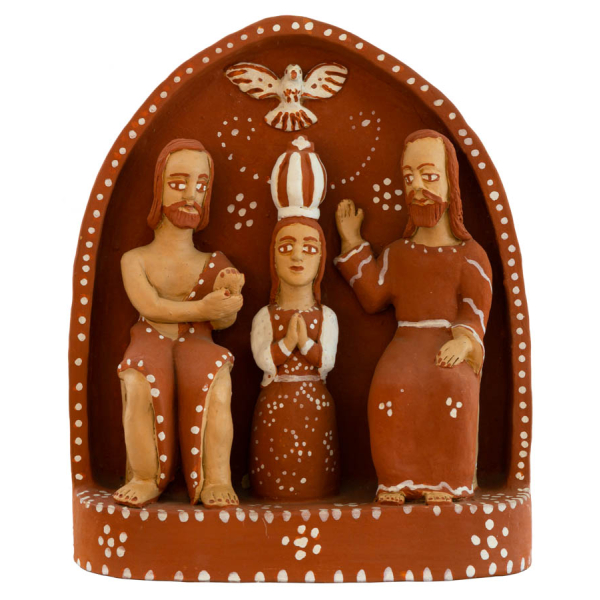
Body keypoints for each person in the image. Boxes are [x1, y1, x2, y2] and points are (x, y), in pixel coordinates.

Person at [335, 129, 492, 505]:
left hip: (447, 345)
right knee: (390, 385)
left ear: (450, 183)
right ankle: (396, 478)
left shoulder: (470, 256)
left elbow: (475, 310)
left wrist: (463, 341)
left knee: (452, 385)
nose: (417, 187)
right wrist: (352, 241)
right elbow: (373, 295)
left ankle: (448, 480)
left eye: (429, 176)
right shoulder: (399, 253)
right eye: (409, 178)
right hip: (404, 345)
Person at [113, 138, 244, 508]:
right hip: (150, 337)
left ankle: (216, 478)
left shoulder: (213, 262)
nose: (190, 195)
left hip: (197, 341)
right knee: (139, 379)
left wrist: (229, 302)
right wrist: (204, 307)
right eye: (178, 183)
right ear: (159, 189)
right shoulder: (135, 260)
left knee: (217, 379)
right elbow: (151, 307)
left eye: (201, 186)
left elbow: (224, 320)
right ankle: (144, 476)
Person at [249, 217, 339, 500]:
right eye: (286, 247)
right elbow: (263, 359)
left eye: (309, 249)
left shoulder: (327, 316)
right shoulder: (265, 315)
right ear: (273, 259)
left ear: (321, 259)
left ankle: (318, 489)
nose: (297, 256)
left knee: (314, 467)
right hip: (274, 404)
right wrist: (288, 343)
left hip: (315, 403)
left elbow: (327, 361)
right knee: (276, 457)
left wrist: (306, 343)